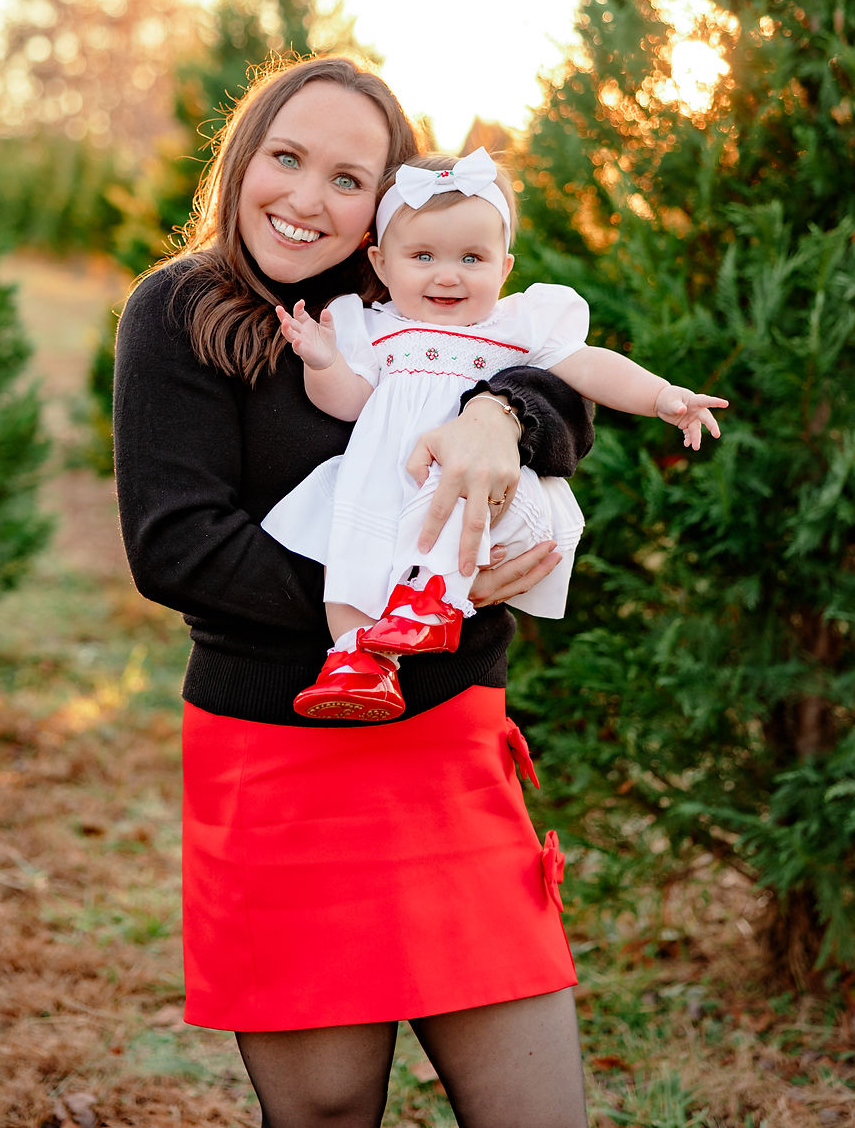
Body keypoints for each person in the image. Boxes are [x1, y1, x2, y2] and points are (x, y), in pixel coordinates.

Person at [114, 55, 598, 1128]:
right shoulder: (180, 311)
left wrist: (497, 416)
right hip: (276, 756)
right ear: (242, 161)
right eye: (284, 159)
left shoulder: (408, 294)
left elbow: (558, 383)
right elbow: (177, 546)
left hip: (444, 748)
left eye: (346, 179)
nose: (303, 199)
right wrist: (420, 605)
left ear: (384, 210)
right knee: (324, 1109)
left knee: (535, 1109)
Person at [265, 147, 727, 723]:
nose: (448, 274)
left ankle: (429, 602)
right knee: (351, 551)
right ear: (382, 265)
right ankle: (359, 663)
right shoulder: (376, 329)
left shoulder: (513, 327)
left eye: (472, 257)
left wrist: (662, 396)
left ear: (505, 268)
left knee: (463, 504)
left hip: (481, 489)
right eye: (424, 255)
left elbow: (586, 366)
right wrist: (321, 361)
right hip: (386, 478)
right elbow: (349, 402)